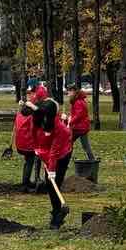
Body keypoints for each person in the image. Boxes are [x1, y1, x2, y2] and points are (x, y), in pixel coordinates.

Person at [32, 98, 72, 230]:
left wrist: (52, 171)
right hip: (46, 152)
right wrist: (37, 149)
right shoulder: (38, 118)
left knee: (53, 184)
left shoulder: (61, 129)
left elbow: (54, 152)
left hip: (61, 155)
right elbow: (33, 133)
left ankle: (57, 214)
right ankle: (56, 210)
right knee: (49, 186)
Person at [13, 100, 39, 190]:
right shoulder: (31, 118)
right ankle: (25, 182)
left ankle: (26, 180)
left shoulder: (19, 115)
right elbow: (34, 129)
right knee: (30, 162)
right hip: (28, 145)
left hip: (20, 144)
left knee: (27, 161)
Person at [69, 87, 95, 160]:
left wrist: (70, 122)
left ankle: (65, 159)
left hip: (79, 127)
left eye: (70, 92)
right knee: (85, 145)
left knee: (68, 142)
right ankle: (92, 159)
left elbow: (79, 115)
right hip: (82, 127)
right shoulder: (79, 101)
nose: (68, 94)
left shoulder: (78, 102)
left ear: (74, 92)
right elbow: (77, 114)